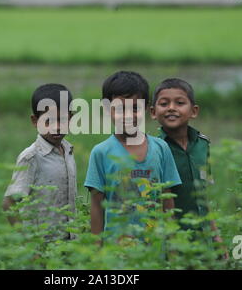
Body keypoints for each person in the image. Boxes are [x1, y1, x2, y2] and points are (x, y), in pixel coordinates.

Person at [84, 71, 182, 241]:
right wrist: (97, 255)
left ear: (146, 108)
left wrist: (172, 250)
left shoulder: (161, 148)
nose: (128, 115)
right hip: (116, 253)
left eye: (135, 108)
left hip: (155, 249)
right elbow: (97, 207)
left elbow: (168, 202)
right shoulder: (101, 152)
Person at [150, 78, 225, 249]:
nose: (171, 108)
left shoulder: (202, 145)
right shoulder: (153, 149)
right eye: (164, 103)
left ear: (194, 111)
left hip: (203, 237)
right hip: (170, 239)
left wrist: (216, 236)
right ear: (153, 112)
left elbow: (203, 194)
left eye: (179, 103)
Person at [2, 83, 76, 240]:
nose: (56, 127)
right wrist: (29, 245)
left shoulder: (68, 151)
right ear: (35, 121)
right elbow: (9, 203)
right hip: (43, 248)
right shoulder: (31, 157)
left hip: (70, 246)